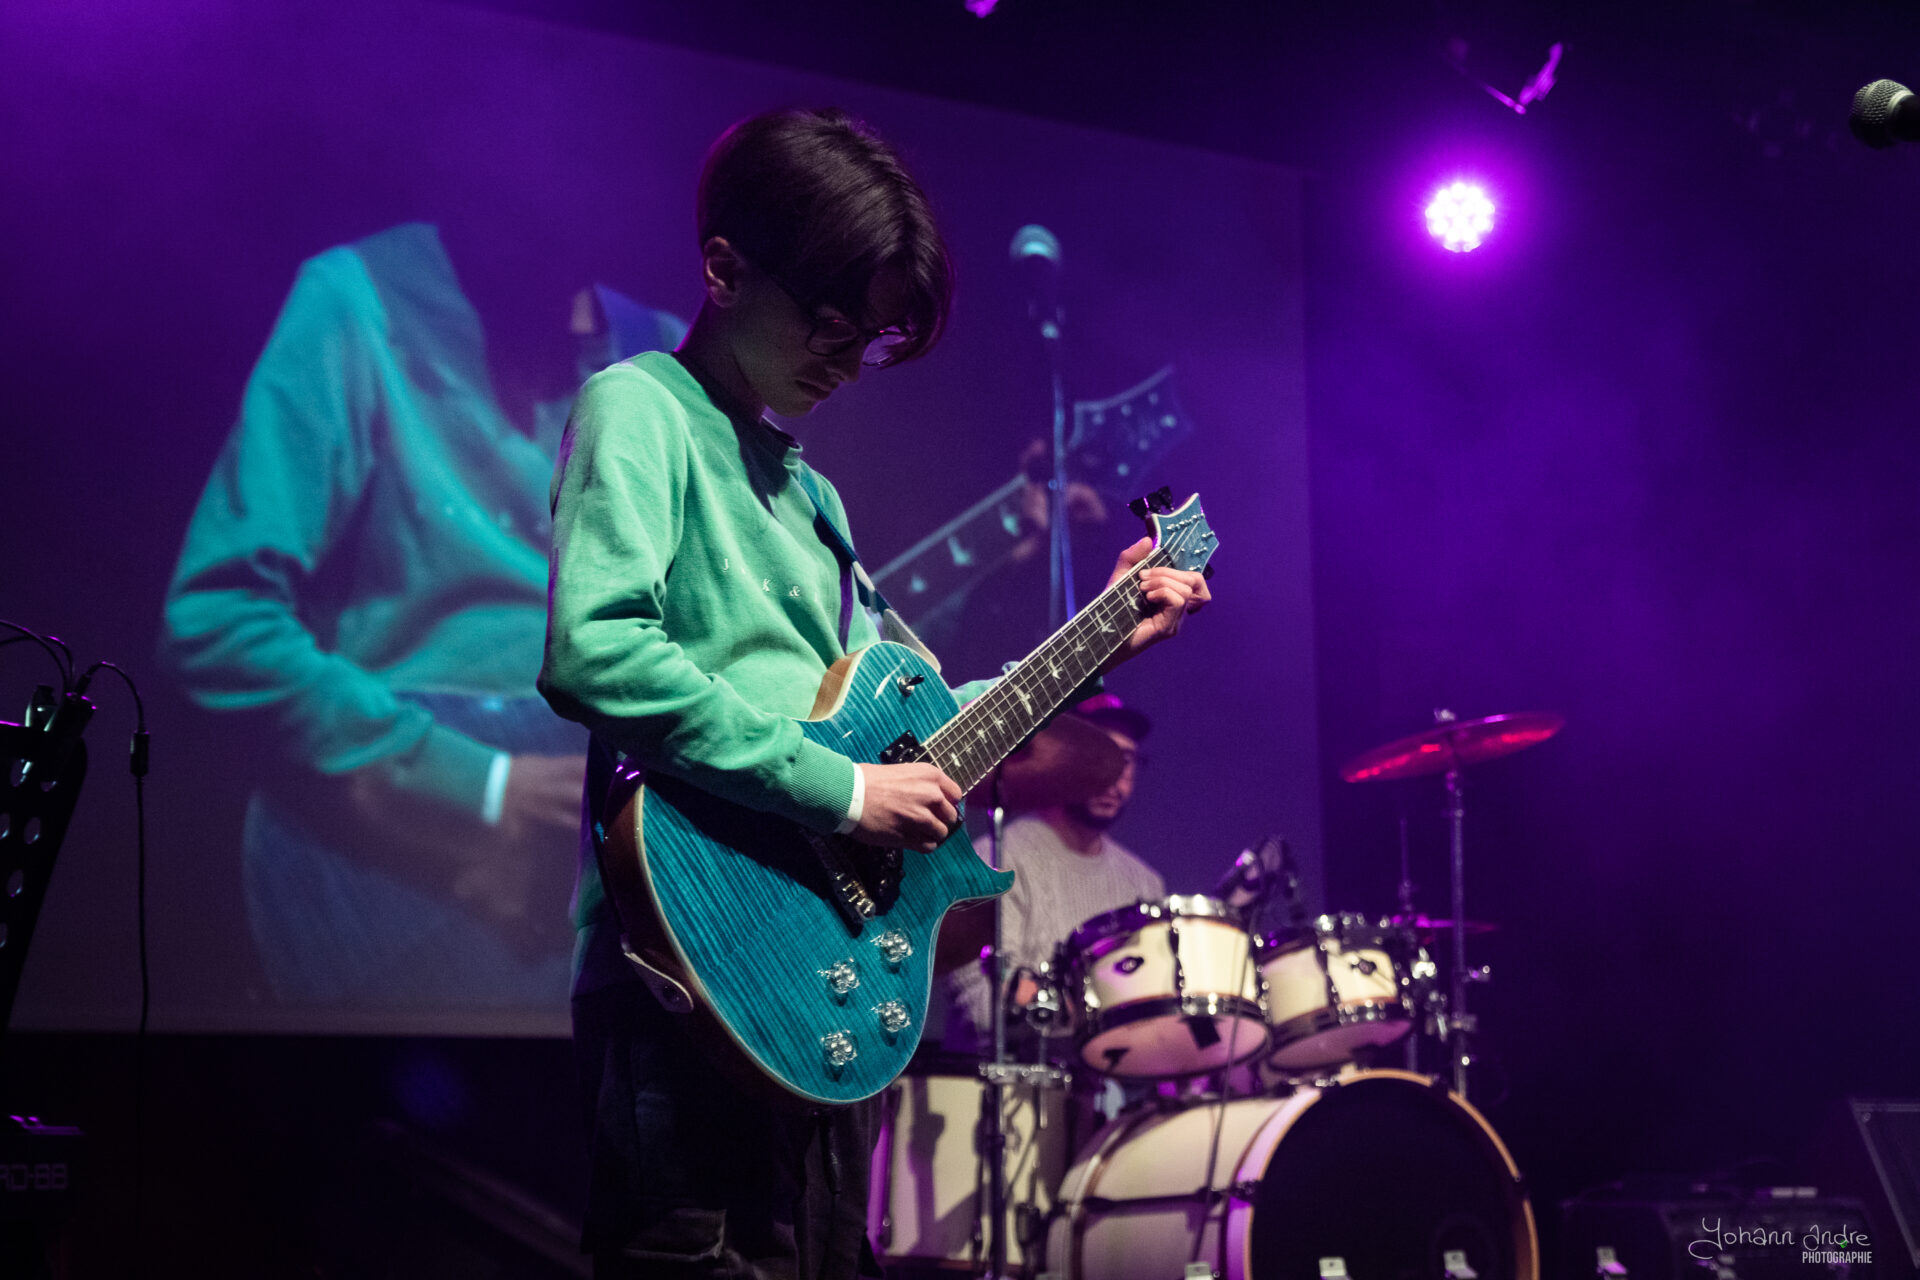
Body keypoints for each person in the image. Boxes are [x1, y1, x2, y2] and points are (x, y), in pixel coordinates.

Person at [537, 108, 1212, 1279]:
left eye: (873, 341)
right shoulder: (639, 405)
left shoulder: (815, 499)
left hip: (828, 979)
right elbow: (596, 651)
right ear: (724, 270)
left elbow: (928, 732)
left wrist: (1107, 632)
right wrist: (846, 791)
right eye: (832, 325)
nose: (848, 364)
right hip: (691, 955)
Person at [158, 220, 687, 1010]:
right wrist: (478, 788)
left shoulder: (665, 352)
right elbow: (218, 621)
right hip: (395, 869)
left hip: (621, 888)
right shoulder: (356, 301)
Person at [945, 693, 1165, 1055]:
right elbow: (980, 1006)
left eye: (1126, 760)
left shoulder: (1145, 883)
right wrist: (1089, 1017)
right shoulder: (997, 858)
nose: (1114, 777)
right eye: (1100, 757)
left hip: (1110, 1082)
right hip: (1007, 1080)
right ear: (1062, 760)